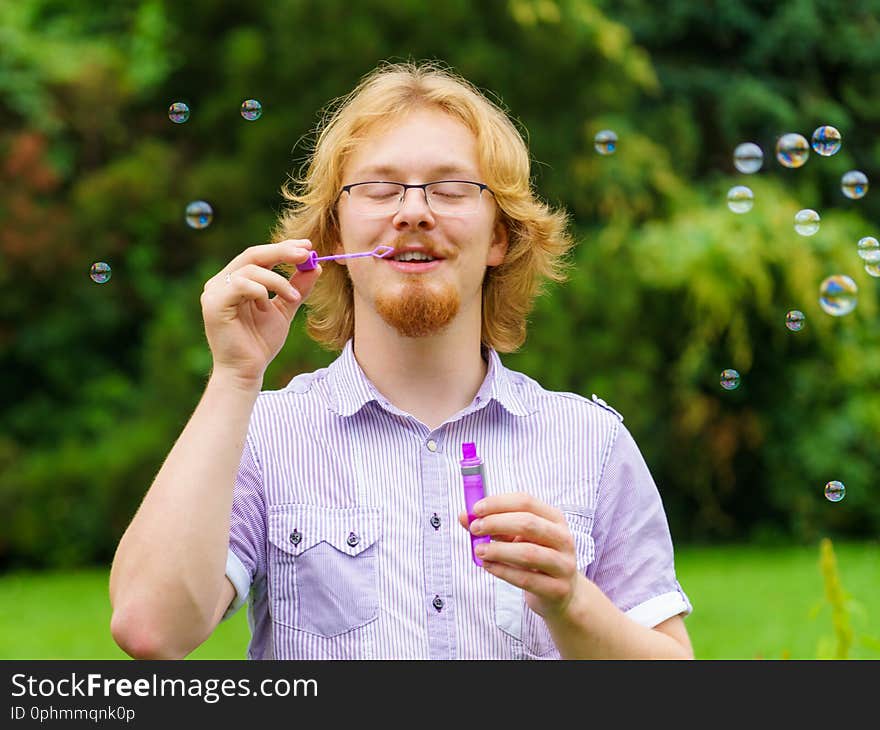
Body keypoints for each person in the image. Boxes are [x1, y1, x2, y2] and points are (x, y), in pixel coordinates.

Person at [109, 60, 693, 660]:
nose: (414, 212)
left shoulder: (590, 442)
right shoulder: (260, 438)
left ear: (500, 237)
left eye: (450, 187)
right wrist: (235, 377)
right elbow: (151, 630)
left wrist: (572, 603)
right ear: (335, 236)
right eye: (380, 188)